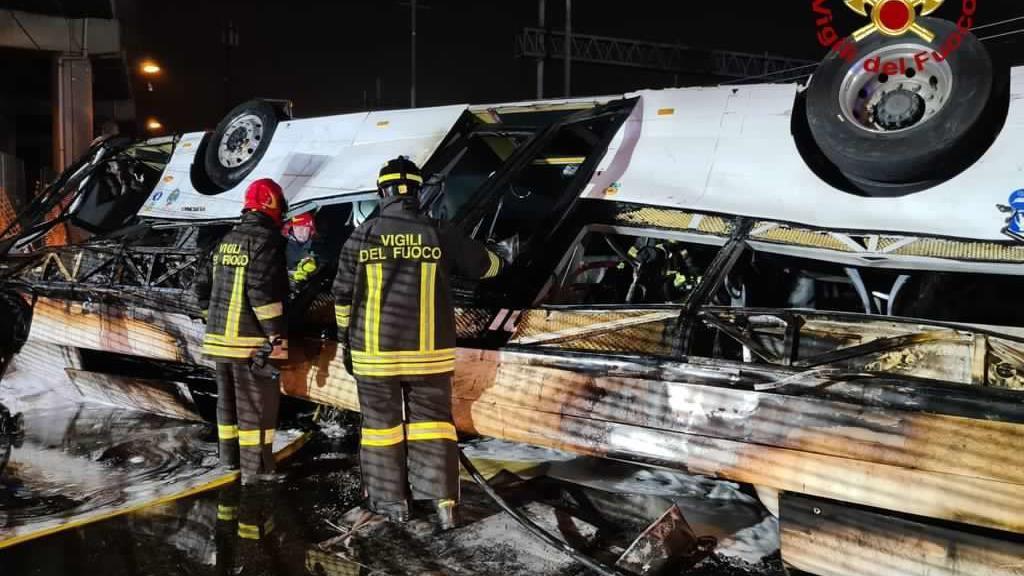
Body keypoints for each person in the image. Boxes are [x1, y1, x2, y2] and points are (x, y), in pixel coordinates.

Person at [332, 157, 504, 530]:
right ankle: (444, 505)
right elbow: (487, 267)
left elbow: (342, 297)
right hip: (429, 356)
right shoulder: (438, 232)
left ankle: (392, 505)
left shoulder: (362, 236)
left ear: (383, 192)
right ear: (418, 191)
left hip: (374, 356)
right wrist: (499, 257)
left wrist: (346, 342)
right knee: (434, 426)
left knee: (381, 428)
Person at [195, 178, 289, 485]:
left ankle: (229, 461)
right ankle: (256, 472)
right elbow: (262, 293)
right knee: (255, 409)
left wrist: (214, 323)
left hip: (220, 341)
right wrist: (277, 338)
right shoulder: (265, 240)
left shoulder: (227, 239)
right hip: (250, 343)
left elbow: (202, 287)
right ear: (273, 204)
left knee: (229, 404)